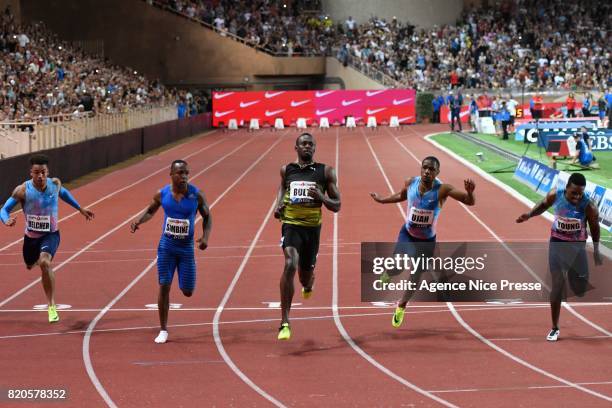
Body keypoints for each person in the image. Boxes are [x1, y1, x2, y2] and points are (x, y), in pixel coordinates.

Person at [369, 156, 475, 328]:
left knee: (415, 275)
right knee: (396, 267)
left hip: (427, 241)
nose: (427, 171)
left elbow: (469, 202)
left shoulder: (443, 190)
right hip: (408, 234)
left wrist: (470, 192)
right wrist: (382, 200)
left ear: (437, 172)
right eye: (425, 167)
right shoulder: (410, 182)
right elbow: (401, 196)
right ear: (421, 168)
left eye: (431, 169)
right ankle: (388, 274)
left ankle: (401, 306)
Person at [0, 154, 94, 322]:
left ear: (48, 172)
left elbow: (64, 194)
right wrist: (6, 219)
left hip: (51, 235)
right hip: (31, 238)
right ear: (31, 173)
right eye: (37, 172)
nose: (40, 176)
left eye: (43, 172)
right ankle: (33, 261)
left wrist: (80, 208)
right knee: (30, 264)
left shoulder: (55, 184)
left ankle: (51, 306)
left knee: (45, 262)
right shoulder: (22, 190)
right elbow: (4, 209)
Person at [130, 160, 211, 343]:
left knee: (187, 291)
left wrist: (205, 237)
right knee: (164, 286)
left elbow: (207, 216)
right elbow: (151, 210)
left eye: (186, 173)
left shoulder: (196, 195)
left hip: (186, 248)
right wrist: (138, 220)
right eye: (180, 173)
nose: (184, 176)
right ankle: (163, 329)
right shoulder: (162, 194)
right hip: (167, 246)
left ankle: (186, 277)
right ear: (171, 174)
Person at [516, 173, 602, 341]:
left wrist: (597, 250)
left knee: (580, 290)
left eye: (580, 194)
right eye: (573, 193)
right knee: (557, 285)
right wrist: (529, 214)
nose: (577, 197)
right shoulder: (555, 194)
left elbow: (595, 228)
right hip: (557, 243)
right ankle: (555, 327)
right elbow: (543, 204)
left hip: (577, 247)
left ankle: (573, 277)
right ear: (567, 188)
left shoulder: (589, 206)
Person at [274, 133, 341, 340]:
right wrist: (278, 206)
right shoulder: (287, 170)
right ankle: (285, 321)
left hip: (312, 230)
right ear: (296, 148)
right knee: (290, 263)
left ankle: (309, 284)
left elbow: (337, 205)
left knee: (304, 277)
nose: (307, 147)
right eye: (303, 144)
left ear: (315, 148)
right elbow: (283, 188)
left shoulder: (325, 172)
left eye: (311, 144)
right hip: (291, 226)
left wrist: (321, 197)